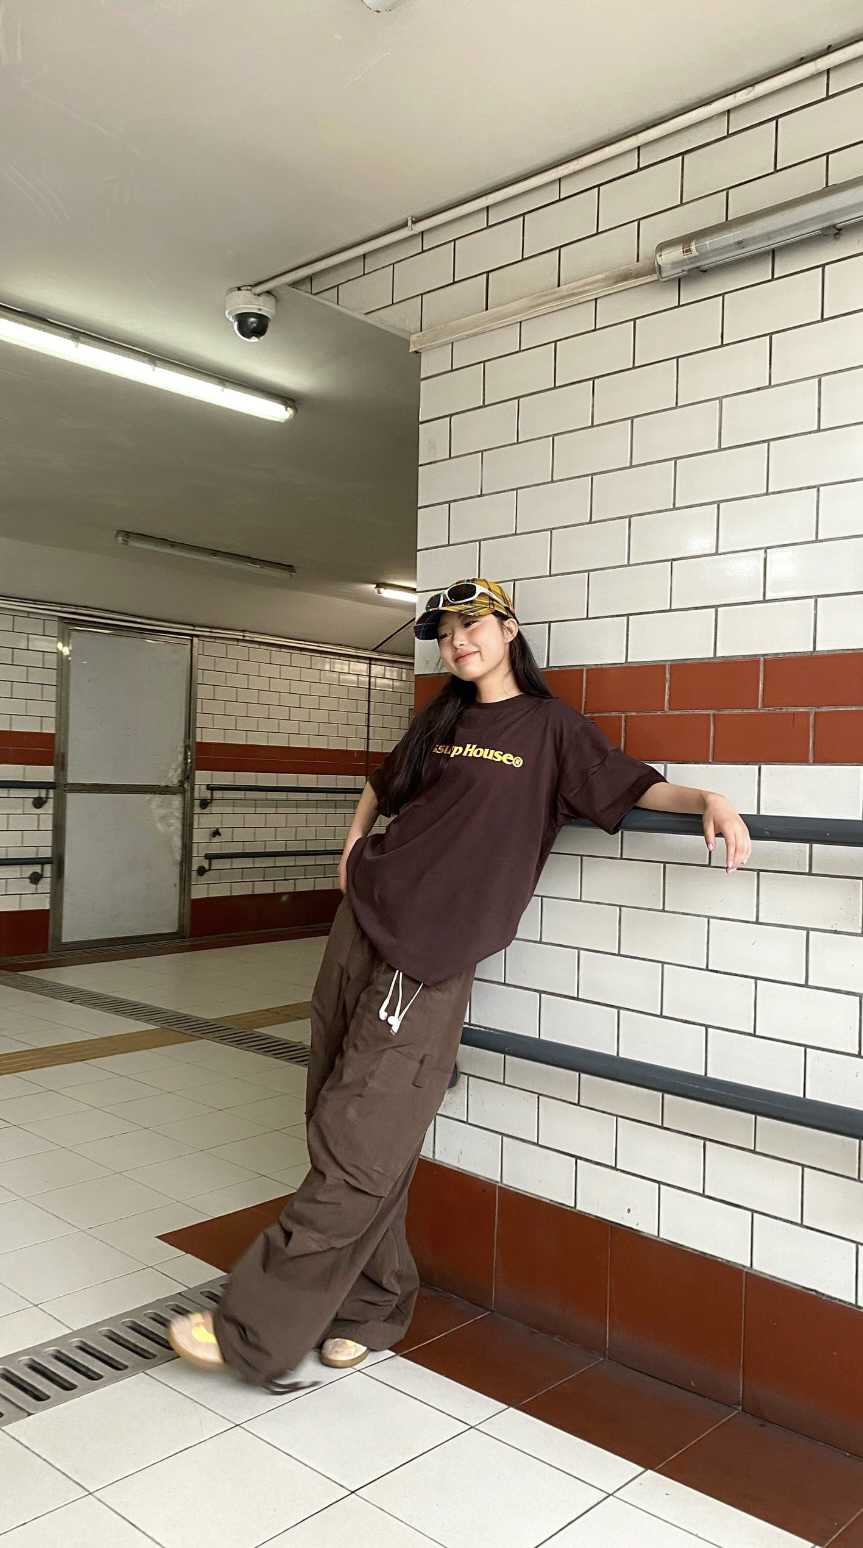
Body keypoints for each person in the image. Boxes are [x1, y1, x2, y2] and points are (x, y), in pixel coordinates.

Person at [168, 579, 751, 1388]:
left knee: (359, 1136)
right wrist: (352, 847)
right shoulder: (441, 720)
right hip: (361, 925)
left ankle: (252, 1329)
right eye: (444, 633)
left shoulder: (549, 728)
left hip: (428, 955)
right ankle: (372, 1304)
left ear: (507, 630)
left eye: (471, 626)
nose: (456, 642)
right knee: (338, 1118)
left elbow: (632, 784)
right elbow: (383, 784)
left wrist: (707, 799)